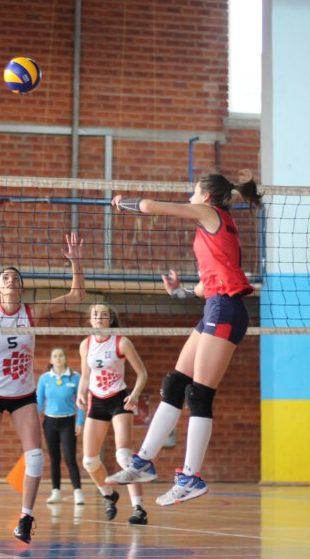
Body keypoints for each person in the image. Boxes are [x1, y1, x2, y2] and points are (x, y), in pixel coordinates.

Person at [106, 170, 261, 507]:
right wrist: (180, 293)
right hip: (215, 306)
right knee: (175, 384)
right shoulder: (217, 225)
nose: (190, 196)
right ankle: (143, 463)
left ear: (206, 195)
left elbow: (152, 206)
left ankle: (191, 478)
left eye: (194, 191)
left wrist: (122, 203)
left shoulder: (208, 212)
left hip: (226, 310)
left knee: (199, 394)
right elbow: (210, 284)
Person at [0, 233, 84, 548]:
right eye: (5, 277)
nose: (11, 280)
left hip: (23, 395)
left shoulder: (32, 312)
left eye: (15, 278)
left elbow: (76, 297)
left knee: (35, 458)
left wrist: (76, 262)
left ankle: (26, 518)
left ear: (21, 287)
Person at [76, 303, 148, 524]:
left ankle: (138, 508)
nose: (98, 317)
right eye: (95, 314)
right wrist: (80, 393)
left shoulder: (121, 342)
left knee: (124, 456)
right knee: (89, 461)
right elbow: (85, 376)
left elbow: (142, 374)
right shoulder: (86, 344)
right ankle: (109, 495)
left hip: (118, 400)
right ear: (90, 319)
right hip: (97, 402)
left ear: (110, 319)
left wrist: (135, 394)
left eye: (103, 314)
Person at [36, 347, 85, 507]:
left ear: (65, 358)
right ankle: (55, 491)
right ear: (51, 360)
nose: (58, 358)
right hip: (50, 422)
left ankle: (78, 491)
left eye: (61, 355)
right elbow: (39, 402)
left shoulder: (75, 377)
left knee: (70, 458)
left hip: (68, 422)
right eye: (55, 356)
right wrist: (33, 422)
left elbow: (81, 402)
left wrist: (80, 422)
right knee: (54, 458)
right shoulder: (44, 378)